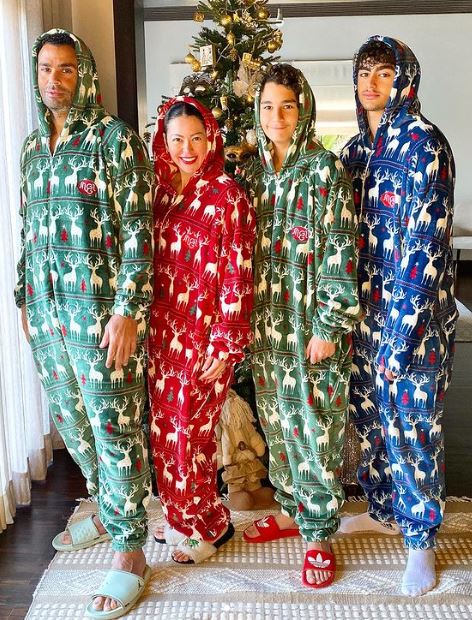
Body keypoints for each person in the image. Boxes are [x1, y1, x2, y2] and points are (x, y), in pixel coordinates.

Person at [14, 29, 154, 618]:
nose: (55, 79)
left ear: (85, 74)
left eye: (66, 69)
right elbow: (28, 226)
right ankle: (107, 510)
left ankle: (130, 550)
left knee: (114, 428)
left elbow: (140, 231)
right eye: (46, 68)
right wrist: (23, 297)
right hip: (47, 314)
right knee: (75, 426)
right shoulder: (31, 148)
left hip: (100, 316)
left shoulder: (114, 140)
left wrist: (128, 310)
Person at [340, 36, 457, 597]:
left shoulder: (426, 144)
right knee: (372, 425)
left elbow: (426, 244)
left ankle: (420, 541)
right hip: (361, 316)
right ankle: (385, 511)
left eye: (384, 73)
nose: (371, 82)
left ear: (405, 78)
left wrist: (402, 334)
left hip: (412, 322)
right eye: (364, 71)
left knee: (412, 428)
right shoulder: (352, 152)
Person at [243, 64, 361, 589]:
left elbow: (340, 248)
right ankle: (292, 509)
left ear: (304, 109)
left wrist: (329, 325)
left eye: (287, 106)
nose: (277, 116)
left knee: (315, 429)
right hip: (265, 329)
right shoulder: (253, 175)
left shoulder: (323, 170)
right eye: (268, 106)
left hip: (309, 326)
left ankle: (318, 534)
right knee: (278, 426)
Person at [149, 97, 255, 563]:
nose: (187, 149)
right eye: (177, 139)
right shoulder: (159, 190)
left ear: (211, 138)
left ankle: (208, 525)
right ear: (164, 140)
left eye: (196, 138)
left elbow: (238, 272)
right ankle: (179, 515)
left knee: (193, 433)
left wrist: (227, 343)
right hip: (160, 333)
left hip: (206, 336)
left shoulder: (228, 195)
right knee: (165, 432)